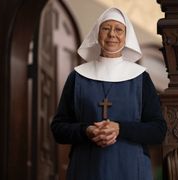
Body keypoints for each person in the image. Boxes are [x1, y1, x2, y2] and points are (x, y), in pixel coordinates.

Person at [50, 7, 167, 180]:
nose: (112, 34)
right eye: (106, 28)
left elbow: (158, 130)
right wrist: (86, 130)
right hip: (86, 170)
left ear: (126, 37)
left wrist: (120, 128)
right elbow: (58, 128)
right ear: (97, 34)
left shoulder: (141, 78)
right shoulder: (77, 77)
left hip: (131, 170)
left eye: (118, 29)